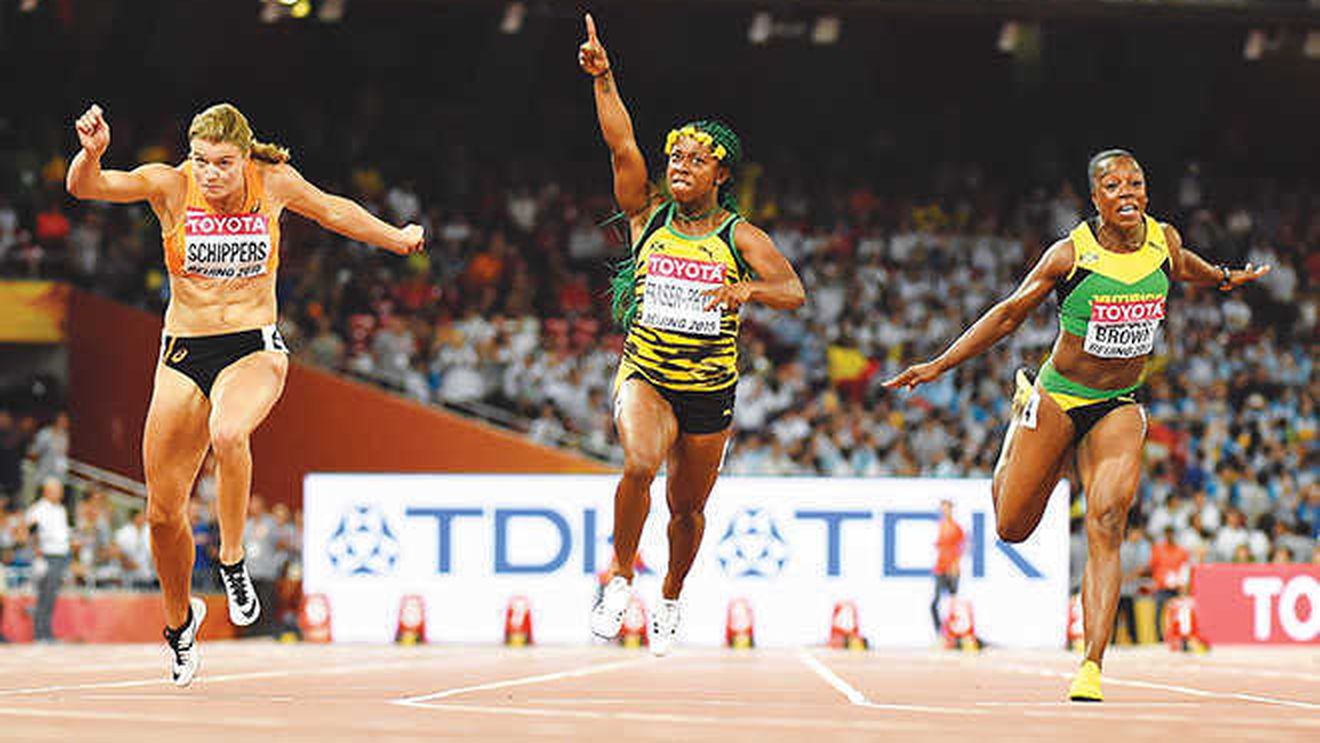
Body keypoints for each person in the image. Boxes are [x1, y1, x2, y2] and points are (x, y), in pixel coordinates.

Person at [884, 149, 1269, 701]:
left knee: (1108, 519)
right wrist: (939, 364)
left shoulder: (1164, 240)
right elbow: (1009, 313)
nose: (1128, 193)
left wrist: (1227, 277)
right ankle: (1020, 422)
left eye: (1136, 183)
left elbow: (1188, 270)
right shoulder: (1071, 254)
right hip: (1060, 395)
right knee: (1012, 527)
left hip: (1118, 401)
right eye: (1114, 186)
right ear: (1095, 198)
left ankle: (1091, 664)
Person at [66, 102, 424, 685]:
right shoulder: (171, 185)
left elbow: (333, 210)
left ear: (245, 157)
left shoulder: (273, 183)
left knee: (229, 433)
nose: (210, 174)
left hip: (251, 347)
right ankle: (180, 623)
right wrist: (92, 153)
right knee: (162, 514)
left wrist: (398, 238)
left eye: (223, 163)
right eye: (202, 161)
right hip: (183, 354)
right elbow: (88, 188)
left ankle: (233, 561)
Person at [579, 14, 805, 656]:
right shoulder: (647, 217)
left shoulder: (742, 238)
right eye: (676, 156)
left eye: (695, 160)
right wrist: (604, 79)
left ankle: (671, 595)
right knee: (637, 463)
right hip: (647, 375)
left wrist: (747, 291)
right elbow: (623, 147)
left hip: (709, 390)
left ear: (720, 175)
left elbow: (793, 291)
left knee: (686, 512)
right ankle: (619, 578)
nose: (680, 165)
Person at [24, 477, 71, 642]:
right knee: (44, 596)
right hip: (47, 554)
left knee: (52, 597)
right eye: (57, 490)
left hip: (61, 554)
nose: (61, 493)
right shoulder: (38, 509)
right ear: (47, 491)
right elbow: (32, 533)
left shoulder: (61, 510)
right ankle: (40, 634)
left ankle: (47, 632)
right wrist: (38, 555)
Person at [930, 499, 965, 636]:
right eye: (943, 509)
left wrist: (955, 565)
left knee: (953, 602)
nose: (945, 511)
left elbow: (962, 548)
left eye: (947, 508)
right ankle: (941, 632)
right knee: (936, 602)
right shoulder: (940, 526)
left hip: (951, 568)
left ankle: (954, 631)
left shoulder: (956, 528)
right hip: (940, 567)